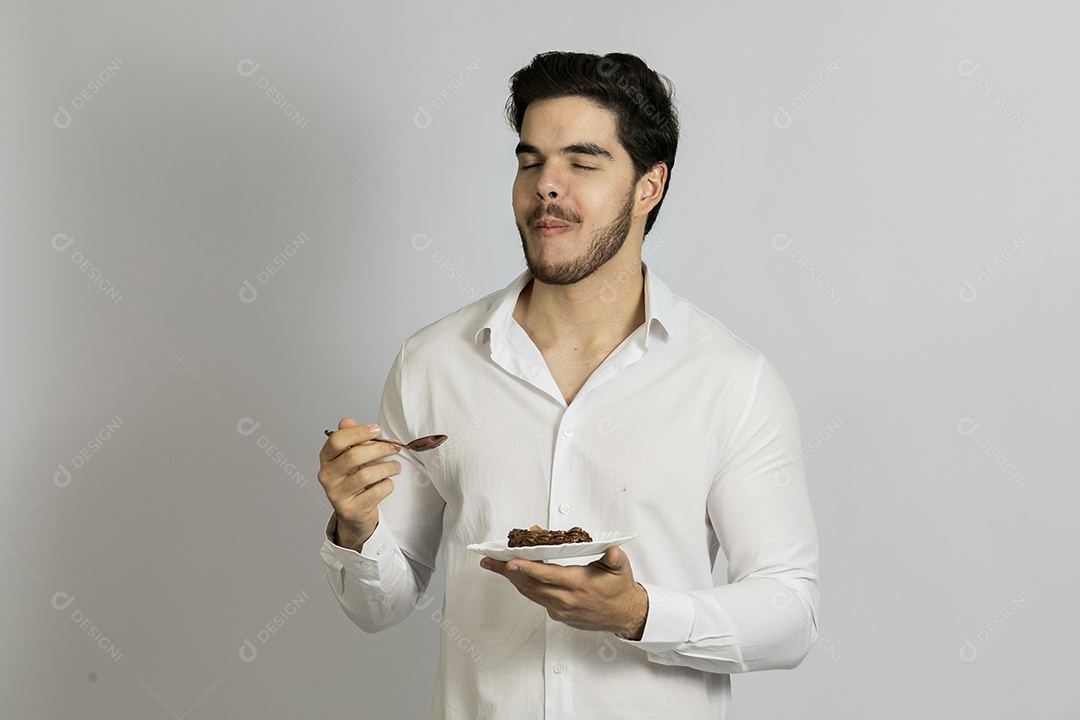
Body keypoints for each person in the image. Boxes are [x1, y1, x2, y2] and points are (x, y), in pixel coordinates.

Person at [317, 51, 820, 719]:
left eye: (582, 163)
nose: (546, 187)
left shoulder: (731, 381)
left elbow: (790, 612)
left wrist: (640, 612)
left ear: (649, 186)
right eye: (530, 162)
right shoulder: (434, 362)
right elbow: (380, 604)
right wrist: (355, 526)